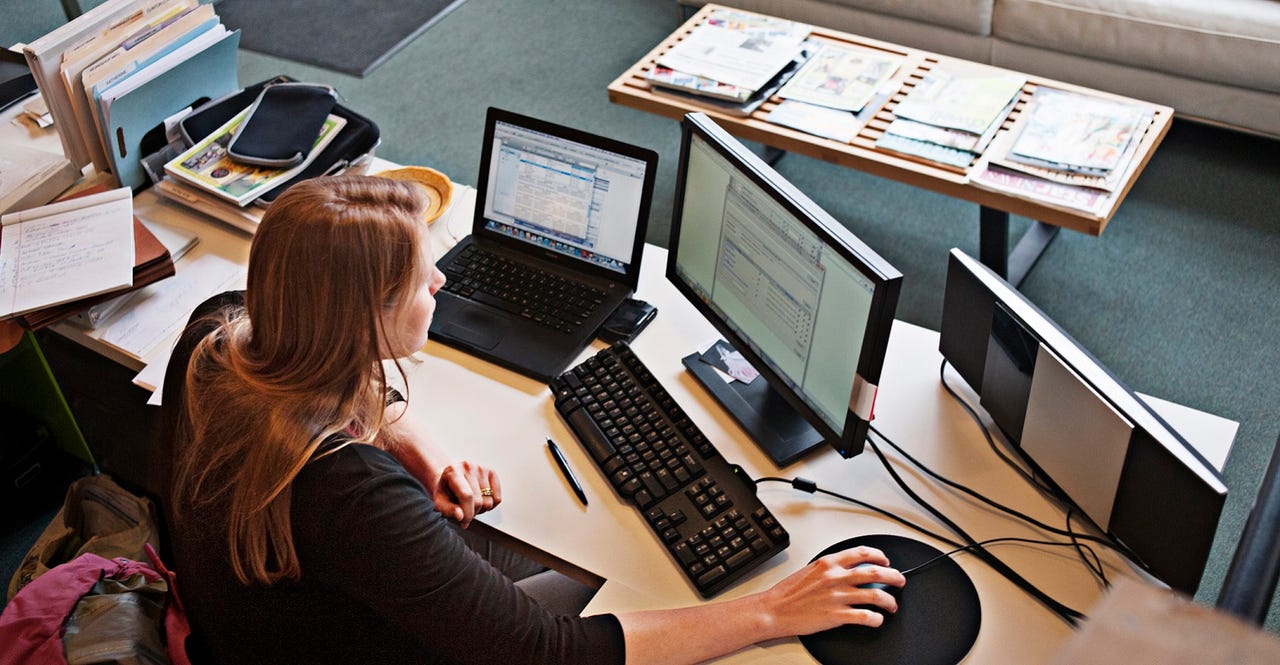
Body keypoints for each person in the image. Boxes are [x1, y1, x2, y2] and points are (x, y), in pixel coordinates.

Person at [160, 174, 904, 665]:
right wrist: (773, 610)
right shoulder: (350, 496)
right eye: (420, 278)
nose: (440, 281)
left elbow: (337, 388)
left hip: (256, 631)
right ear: (362, 321)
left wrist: (416, 444)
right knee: (636, 595)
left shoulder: (215, 339)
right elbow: (548, 652)